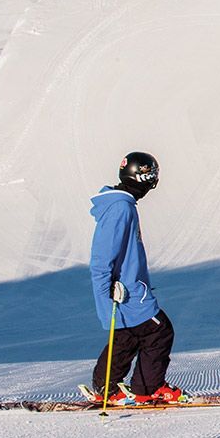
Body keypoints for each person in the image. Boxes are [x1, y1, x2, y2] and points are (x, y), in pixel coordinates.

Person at [88, 151, 181, 404]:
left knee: (126, 336)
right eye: (151, 175)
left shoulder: (123, 205)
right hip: (127, 293)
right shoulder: (121, 208)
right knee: (159, 332)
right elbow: (101, 256)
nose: (154, 182)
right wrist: (106, 290)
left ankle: (106, 388)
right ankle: (147, 388)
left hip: (129, 291)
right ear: (141, 177)